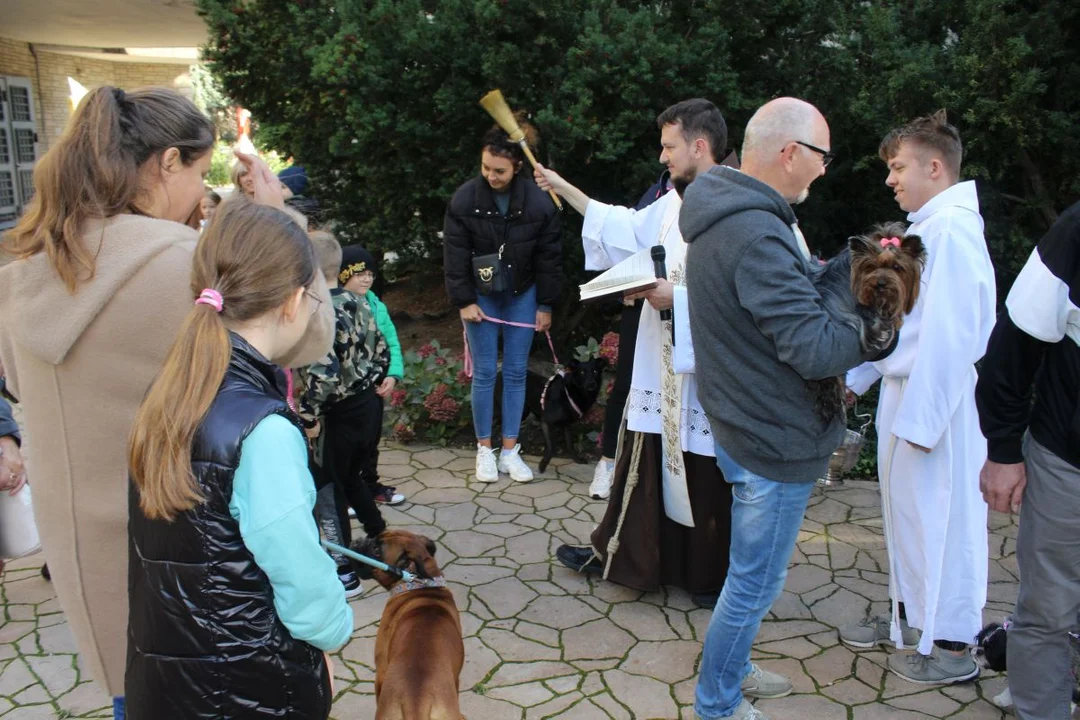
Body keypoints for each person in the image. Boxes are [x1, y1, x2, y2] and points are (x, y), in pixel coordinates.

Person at [0, 86, 334, 717]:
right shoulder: (183, 267)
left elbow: (16, 378)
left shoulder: (25, 270)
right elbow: (305, 335)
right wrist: (279, 220)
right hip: (189, 564)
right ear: (168, 162)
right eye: (198, 170)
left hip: (86, 562)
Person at [682, 97, 895, 720]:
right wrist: (877, 322)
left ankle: (733, 668)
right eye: (822, 156)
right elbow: (815, 349)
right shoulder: (754, 232)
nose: (825, 169)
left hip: (746, 423)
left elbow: (787, 306)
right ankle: (716, 705)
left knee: (747, 579)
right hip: (770, 439)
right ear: (789, 153)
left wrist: (831, 276)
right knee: (754, 584)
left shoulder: (735, 217)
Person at [126, 199, 351, 718]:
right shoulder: (263, 429)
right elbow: (297, 568)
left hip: (167, 678)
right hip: (248, 685)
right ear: (294, 302)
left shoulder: (168, 393)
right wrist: (330, 632)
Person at [536, 99, 736, 608]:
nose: (663, 157)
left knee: (705, 470)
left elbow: (743, 292)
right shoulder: (672, 203)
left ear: (699, 145)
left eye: (670, 147)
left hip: (709, 371)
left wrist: (679, 299)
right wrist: (563, 188)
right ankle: (630, 556)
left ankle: (707, 576)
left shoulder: (738, 206)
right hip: (660, 358)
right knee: (648, 460)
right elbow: (621, 226)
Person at [843, 110, 995, 685]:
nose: (891, 179)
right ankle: (912, 619)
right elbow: (904, 327)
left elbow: (954, 333)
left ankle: (951, 641)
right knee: (909, 516)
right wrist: (858, 379)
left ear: (936, 166)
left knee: (942, 519)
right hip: (912, 395)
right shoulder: (933, 228)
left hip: (939, 403)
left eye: (899, 167)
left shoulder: (952, 231)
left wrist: (924, 421)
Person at [975, 201, 1080, 719]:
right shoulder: (1076, 232)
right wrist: (1003, 450)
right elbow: (1013, 347)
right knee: (1049, 611)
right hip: (1068, 459)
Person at [443, 119, 563, 483]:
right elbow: (454, 255)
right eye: (485, 168)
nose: (491, 176)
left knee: (514, 373)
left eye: (500, 171)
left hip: (522, 294)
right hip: (481, 297)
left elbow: (549, 258)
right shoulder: (464, 200)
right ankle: (484, 450)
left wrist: (546, 305)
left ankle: (510, 450)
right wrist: (464, 300)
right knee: (483, 373)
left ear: (518, 167)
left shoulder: (541, 204)